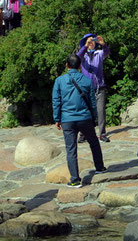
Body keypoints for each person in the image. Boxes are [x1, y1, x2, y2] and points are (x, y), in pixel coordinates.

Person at [52, 54, 106, 188]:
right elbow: (93, 102)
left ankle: (75, 179)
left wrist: (57, 118)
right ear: (80, 65)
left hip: (67, 119)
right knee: (93, 142)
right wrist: (94, 117)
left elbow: (56, 101)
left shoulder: (59, 81)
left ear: (66, 65)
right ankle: (99, 167)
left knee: (71, 149)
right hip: (85, 117)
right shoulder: (87, 81)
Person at [76, 34, 110, 143]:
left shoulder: (99, 53)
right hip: (86, 89)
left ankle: (102, 133)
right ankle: (83, 134)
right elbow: (77, 57)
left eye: (92, 41)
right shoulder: (83, 56)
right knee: (85, 112)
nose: (91, 43)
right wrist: (85, 46)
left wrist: (103, 44)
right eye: (89, 41)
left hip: (99, 88)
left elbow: (107, 53)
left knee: (100, 112)